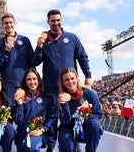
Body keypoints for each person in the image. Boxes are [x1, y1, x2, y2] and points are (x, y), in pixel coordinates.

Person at [33, 9, 92, 151]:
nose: (56, 23)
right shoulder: (44, 41)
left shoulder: (71, 38)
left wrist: (88, 75)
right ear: (48, 22)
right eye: (53, 20)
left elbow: (82, 57)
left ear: (62, 20)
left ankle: (75, 142)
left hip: (70, 86)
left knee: (73, 114)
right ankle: (51, 145)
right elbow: (35, 61)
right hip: (51, 85)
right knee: (51, 115)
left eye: (58, 20)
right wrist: (39, 47)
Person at [57, 68, 103, 152]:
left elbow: (99, 114)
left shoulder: (90, 94)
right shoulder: (61, 97)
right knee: (67, 147)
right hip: (68, 127)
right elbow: (65, 122)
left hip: (85, 126)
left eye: (72, 78)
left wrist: (84, 118)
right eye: (66, 80)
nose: (70, 82)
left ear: (77, 79)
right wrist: (64, 105)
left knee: (95, 126)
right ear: (62, 82)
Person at [0, 13, 34, 104]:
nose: (9, 25)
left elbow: (32, 61)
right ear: (2, 25)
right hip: (9, 84)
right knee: (10, 111)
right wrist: (6, 51)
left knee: (26, 111)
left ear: (14, 23)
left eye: (11, 22)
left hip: (25, 83)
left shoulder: (24, 40)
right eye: (6, 23)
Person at [12, 68, 57, 152]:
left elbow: (52, 116)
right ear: (25, 81)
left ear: (39, 80)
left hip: (38, 133)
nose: (32, 82)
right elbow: (18, 121)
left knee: (31, 149)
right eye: (29, 79)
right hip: (22, 134)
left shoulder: (46, 97)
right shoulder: (20, 97)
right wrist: (20, 104)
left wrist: (42, 129)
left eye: (34, 79)